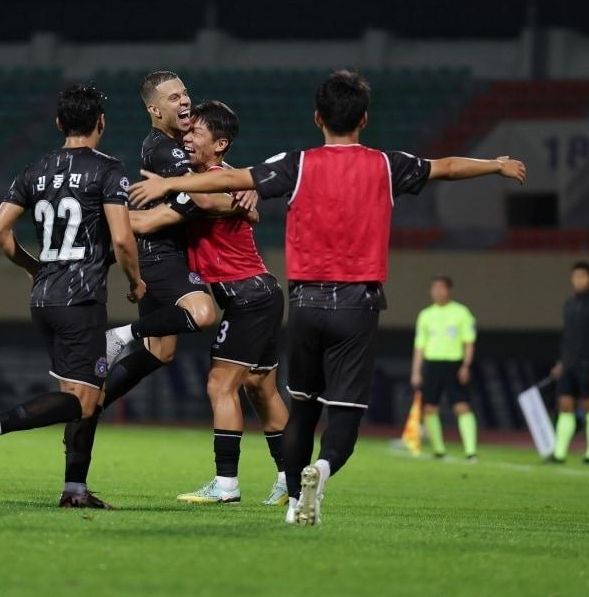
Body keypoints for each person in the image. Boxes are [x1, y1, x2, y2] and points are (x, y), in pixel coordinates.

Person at [127, 69, 526, 525]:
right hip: (358, 303)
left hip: (305, 302)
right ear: (365, 119)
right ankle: (318, 469)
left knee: (290, 403)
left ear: (318, 117)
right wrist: (495, 165)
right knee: (327, 412)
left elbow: (236, 179)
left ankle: (273, 491)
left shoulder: (297, 164)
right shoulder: (384, 164)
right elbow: (446, 167)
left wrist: (171, 184)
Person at [0, 83, 145, 509]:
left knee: (84, 397)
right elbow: (121, 238)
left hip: (44, 296)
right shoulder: (109, 169)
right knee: (82, 401)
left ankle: (74, 490)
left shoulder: (36, 169)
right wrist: (136, 282)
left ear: (59, 123)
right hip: (81, 299)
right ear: (101, 122)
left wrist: (32, 267)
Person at [129, 101, 289, 505]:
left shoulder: (214, 181)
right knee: (261, 390)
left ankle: (227, 485)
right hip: (260, 294)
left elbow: (199, 205)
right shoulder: (210, 182)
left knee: (220, 385)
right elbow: (161, 219)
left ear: (220, 145)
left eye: (196, 133)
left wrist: (163, 189)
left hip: (248, 298)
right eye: (187, 131)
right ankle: (292, 481)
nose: (187, 137)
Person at [101, 72, 256, 408]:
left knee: (161, 351)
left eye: (185, 93)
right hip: (162, 255)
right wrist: (241, 204)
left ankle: (90, 406)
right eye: (173, 98)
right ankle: (119, 335)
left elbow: (214, 170)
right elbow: (202, 198)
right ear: (156, 111)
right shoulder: (163, 150)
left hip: (163, 253)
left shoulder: (180, 146)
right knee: (202, 313)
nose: (185, 100)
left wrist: (241, 182)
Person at [549, 261, 589, 464]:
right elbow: (567, 337)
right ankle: (560, 453)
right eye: (575, 276)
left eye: (583, 276)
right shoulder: (568, 304)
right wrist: (561, 361)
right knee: (565, 405)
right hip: (569, 364)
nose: (579, 280)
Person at [410, 275, 478, 460]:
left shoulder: (461, 312)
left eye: (442, 288)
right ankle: (439, 449)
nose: (438, 292)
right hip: (432, 365)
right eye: (435, 288)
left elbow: (469, 342)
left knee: (462, 407)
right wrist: (416, 371)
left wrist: (466, 365)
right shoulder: (425, 315)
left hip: (454, 364)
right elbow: (419, 346)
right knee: (430, 408)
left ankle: (471, 451)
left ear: (449, 290)